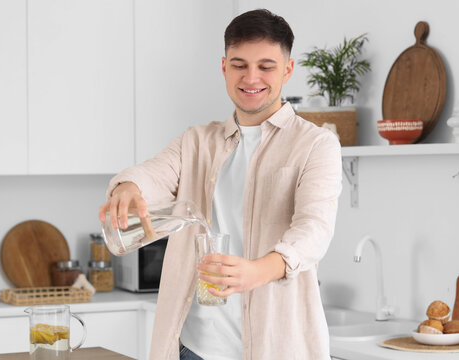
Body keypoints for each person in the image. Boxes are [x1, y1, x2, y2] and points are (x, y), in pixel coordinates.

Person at [99, 9, 342, 360]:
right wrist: (128, 188)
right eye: (240, 64)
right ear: (224, 67)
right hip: (194, 350)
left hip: (278, 349)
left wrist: (258, 271)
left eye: (266, 66)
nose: (251, 77)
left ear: (287, 70)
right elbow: (154, 174)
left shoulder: (316, 144)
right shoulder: (197, 142)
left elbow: (314, 229)